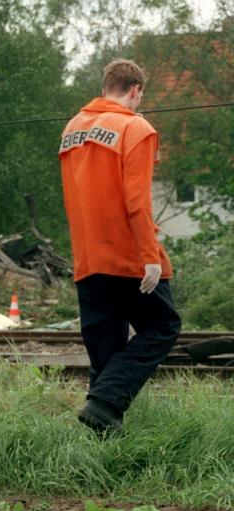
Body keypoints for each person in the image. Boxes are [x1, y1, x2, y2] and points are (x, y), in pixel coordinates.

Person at [59, 59, 181, 435]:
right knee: (163, 325)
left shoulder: (73, 128)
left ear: (106, 84)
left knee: (106, 355)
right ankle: (107, 401)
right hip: (127, 257)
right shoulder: (135, 127)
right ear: (136, 90)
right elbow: (136, 203)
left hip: (87, 259)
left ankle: (102, 445)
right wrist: (150, 258)